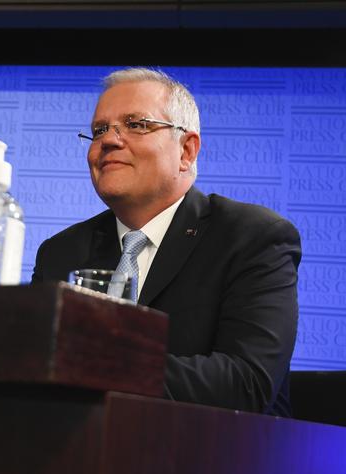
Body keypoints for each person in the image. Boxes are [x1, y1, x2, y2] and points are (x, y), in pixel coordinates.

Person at [31, 67, 301, 416]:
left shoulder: (252, 237)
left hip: (209, 460)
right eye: (99, 130)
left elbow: (246, 384)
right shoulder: (61, 252)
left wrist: (103, 365)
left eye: (136, 124)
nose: (109, 140)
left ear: (187, 151)